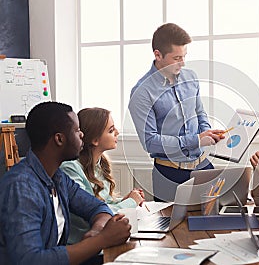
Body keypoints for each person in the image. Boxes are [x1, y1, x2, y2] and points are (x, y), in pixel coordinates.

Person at [0, 102, 131, 265]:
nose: (82, 135)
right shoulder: (21, 186)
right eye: (77, 131)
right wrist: (102, 239)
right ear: (59, 139)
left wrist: (97, 231)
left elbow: (97, 207)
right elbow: (30, 260)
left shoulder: (58, 177)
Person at [129, 23, 224, 202]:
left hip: (202, 166)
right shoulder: (142, 92)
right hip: (169, 174)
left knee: (216, 221)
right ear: (158, 55)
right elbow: (150, 142)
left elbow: (199, 112)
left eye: (184, 56)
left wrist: (208, 133)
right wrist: (196, 140)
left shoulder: (191, 77)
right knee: (173, 229)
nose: (183, 63)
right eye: (177, 58)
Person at [61, 107, 145, 244]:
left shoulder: (99, 164)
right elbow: (92, 213)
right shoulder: (70, 168)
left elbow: (104, 203)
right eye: (111, 130)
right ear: (95, 140)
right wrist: (131, 202)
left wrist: (123, 200)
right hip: (83, 244)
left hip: (101, 239)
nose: (117, 132)